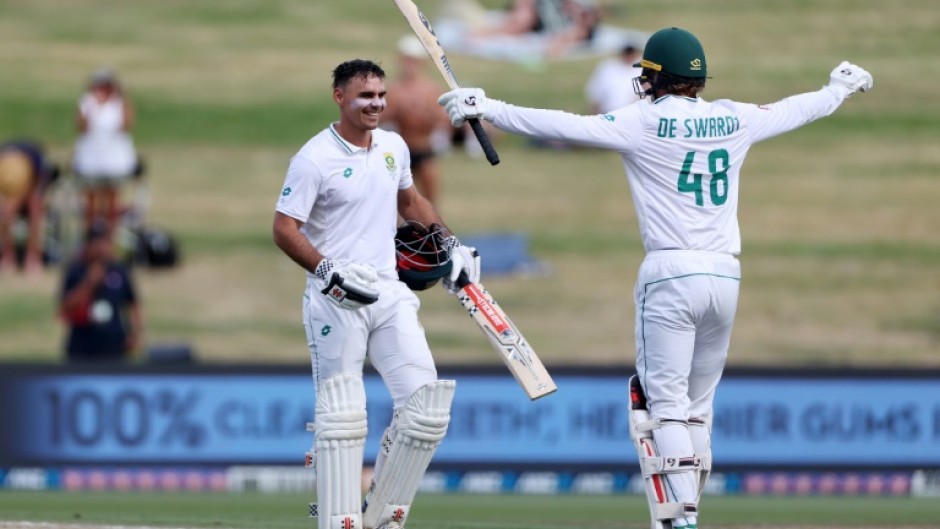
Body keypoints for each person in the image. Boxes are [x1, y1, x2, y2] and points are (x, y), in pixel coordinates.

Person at [437, 27, 872, 529]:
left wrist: (487, 106)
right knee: (697, 409)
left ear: (657, 78)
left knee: (663, 407)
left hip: (670, 274)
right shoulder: (733, 117)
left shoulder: (642, 121)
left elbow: (562, 125)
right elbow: (796, 108)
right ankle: (691, 510)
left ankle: (681, 519)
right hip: (725, 275)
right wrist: (837, 89)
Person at [271, 59, 481, 529]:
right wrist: (325, 271)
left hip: (389, 290)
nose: (376, 103)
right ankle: (337, 521)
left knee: (425, 405)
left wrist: (448, 240)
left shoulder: (393, 146)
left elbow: (410, 201)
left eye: (381, 95)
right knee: (343, 419)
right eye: (365, 96)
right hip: (337, 298)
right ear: (340, 97)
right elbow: (284, 228)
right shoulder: (313, 158)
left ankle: (381, 517)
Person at [380, 35, 453, 205]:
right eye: (406, 60)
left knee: (430, 200)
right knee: (399, 202)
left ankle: (433, 230)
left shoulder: (431, 89)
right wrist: (397, 111)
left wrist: (428, 115)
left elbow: (443, 120)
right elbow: (380, 119)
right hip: (402, 150)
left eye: (413, 60)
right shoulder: (393, 90)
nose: (409, 65)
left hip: (425, 149)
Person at [59, 220, 143, 362]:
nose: (100, 248)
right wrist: (88, 284)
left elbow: (132, 303)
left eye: (104, 242)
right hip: (82, 347)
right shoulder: (76, 271)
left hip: (114, 346)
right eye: (95, 243)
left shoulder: (119, 270)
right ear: (87, 245)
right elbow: (66, 308)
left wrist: (135, 334)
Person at [73, 67, 139, 239]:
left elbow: (127, 126)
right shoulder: (87, 102)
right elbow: (81, 127)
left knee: (112, 200)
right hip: (91, 158)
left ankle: (110, 236)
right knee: (91, 200)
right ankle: (90, 236)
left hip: (114, 159)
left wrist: (123, 96)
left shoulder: (119, 103)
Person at [0, 140, 59, 274]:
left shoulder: (37, 161)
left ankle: (33, 257)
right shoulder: (6, 162)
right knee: (7, 211)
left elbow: (41, 186)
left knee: (35, 208)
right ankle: (8, 256)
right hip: (14, 193)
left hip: (32, 192)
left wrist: (32, 194)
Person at [469, 0, 601, 58]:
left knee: (575, 31)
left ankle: (486, 34)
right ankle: (487, 34)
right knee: (523, 17)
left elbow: (589, 14)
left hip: (565, 20)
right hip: (541, 16)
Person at [585, 44, 643, 114]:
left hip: (631, 113)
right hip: (608, 112)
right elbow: (595, 94)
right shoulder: (608, 67)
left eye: (631, 53)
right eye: (627, 53)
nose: (629, 56)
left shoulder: (640, 70)